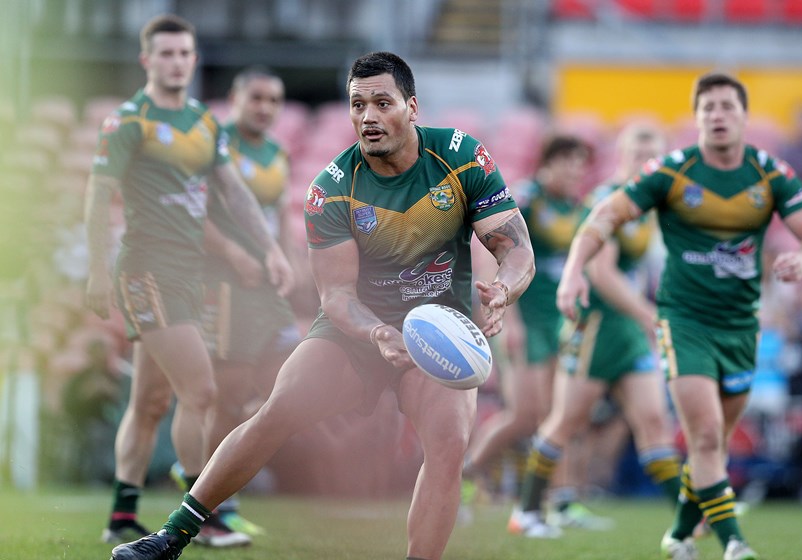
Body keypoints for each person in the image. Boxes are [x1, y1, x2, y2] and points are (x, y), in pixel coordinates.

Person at [108, 50, 535, 560]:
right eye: (358, 105)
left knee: (448, 446)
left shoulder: (461, 157)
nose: (369, 117)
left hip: (436, 330)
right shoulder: (332, 189)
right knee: (278, 411)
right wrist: (377, 333)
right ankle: (171, 536)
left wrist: (505, 288)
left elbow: (516, 249)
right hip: (356, 331)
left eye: (382, 102)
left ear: (412, 107)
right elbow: (336, 297)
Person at [557, 73, 802, 560]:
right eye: (708, 108)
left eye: (727, 106)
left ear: (744, 117)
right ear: (697, 118)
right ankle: (734, 544)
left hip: (741, 325)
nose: (718, 115)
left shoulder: (770, 173)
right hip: (683, 321)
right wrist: (575, 270)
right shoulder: (671, 171)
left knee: (718, 441)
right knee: (704, 434)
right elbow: (602, 217)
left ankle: (680, 534)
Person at [85, 14, 293, 548]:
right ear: (147, 60)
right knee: (201, 391)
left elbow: (234, 193)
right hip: (146, 272)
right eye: (167, 54)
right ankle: (204, 516)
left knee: (151, 401)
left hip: (186, 276)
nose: (177, 62)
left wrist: (270, 248)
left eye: (185, 53)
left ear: (194, 59)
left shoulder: (203, 122)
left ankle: (122, 514)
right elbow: (96, 194)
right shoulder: (129, 121)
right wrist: (94, 269)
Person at [508, 123, 682, 538]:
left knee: (655, 420)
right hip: (597, 327)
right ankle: (527, 511)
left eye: (654, 154)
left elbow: (636, 269)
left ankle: (691, 518)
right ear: (621, 156)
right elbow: (601, 273)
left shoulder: (650, 205)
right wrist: (648, 313)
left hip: (627, 329)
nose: (647, 161)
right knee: (565, 421)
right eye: (639, 152)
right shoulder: (607, 201)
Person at [168, 66, 302, 536]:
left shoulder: (278, 152)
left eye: (274, 100)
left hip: (266, 288)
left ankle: (208, 480)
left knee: (283, 387)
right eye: (257, 98)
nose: (265, 108)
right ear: (235, 98)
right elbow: (192, 211)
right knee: (227, 398)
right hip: (225, 284)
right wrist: (234, 255)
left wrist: (285, 260)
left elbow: (279, 212)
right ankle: (208, 505)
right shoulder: (214, 143)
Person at [461, 135, 589, 503]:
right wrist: (508, 316)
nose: (574, 170)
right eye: (566, 161)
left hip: (556, 324)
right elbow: (493, 250)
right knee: (525, 415)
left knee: (556, 414)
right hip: (525, 321)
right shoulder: (527, 199)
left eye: (579, 163)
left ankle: (560, 499)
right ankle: (468, 470)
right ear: (546, 163)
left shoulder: (576, 208)